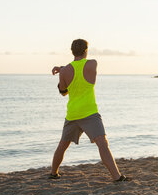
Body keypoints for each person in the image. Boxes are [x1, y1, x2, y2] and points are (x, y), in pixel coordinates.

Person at [49, 39, 131, 182]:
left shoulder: (65, 71)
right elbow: (81, 68)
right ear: (86, 50)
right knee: (103, 144)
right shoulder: (92, 64)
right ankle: (117, 177)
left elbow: (63, 92)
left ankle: (53, 173)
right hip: (90, 113)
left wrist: (63, 70)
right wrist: (64, 68)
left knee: (63, 145)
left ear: (72, 51)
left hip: (73, 114)